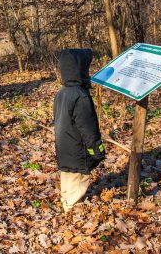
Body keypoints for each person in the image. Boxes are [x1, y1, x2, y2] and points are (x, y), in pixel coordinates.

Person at [54, 49, 106, 212]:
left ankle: (66, 205)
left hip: (64, 148)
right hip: (78, 150)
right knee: (78, 182)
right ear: (80, 70)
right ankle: (71, 213)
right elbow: (88, 128)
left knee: (68, 179)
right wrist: (97, 151)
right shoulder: (81, 96)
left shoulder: (61, 92)